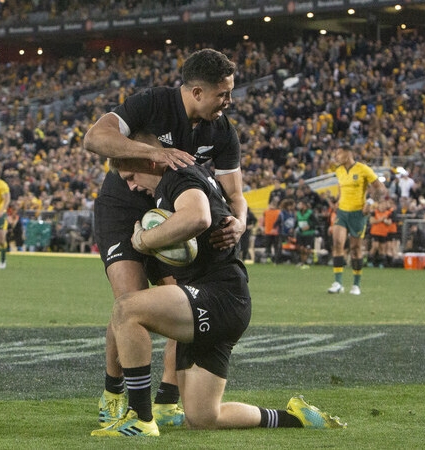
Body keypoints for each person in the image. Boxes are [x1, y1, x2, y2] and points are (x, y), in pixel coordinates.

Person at [91, 156, 345, 437]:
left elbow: (198, 216)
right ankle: (296, 418)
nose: (132, 186)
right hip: (220, 300)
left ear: (149, 163)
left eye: (130, 177)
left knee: (127, 309)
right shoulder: (179, 181)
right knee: (202, 417)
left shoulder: (178, 177)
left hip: (218, 296)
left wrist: (144, 240)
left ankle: (140, 418)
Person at [83, 48, 247, 429]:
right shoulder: (152, 102)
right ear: (196, 92)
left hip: (169, 205)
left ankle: (168, 401)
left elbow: (235, 193)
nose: (229, 101)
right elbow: (95, 138)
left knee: (181, 292)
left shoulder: (222, 131)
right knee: (130, 300)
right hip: (123, 206)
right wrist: (154, 154)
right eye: (223, 94)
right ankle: (114, 393)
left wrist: (239, 222)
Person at [327, 146, 387, 295]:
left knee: (355, 248)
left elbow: (380, 188)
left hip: (358, 213)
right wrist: (336, 202)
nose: (336, 157)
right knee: (337, 243)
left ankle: (356, 284)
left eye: (338, 153)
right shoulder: (339, 171)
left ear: (348, 154)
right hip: (342, 212)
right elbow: (341, 189)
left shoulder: (363, 169)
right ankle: (338, 282)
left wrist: (370, 203)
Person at [294, 200, 317, 267]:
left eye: (300, 204)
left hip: (308, 233)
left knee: (306, 249)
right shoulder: (298, 213)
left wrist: (308, 227)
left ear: (304, 206)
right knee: (301, 248)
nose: (299, 206)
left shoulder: (310, 213)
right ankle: (302, 262)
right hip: (300, 233)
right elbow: (297, 222)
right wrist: (293, 228)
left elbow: (316, 223)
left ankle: (307, 261)